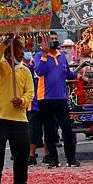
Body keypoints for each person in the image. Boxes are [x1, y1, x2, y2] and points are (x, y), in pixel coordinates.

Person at [0, 37, 35, 184]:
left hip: (19, 119)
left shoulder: (25, 70)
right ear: (9, 52)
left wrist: (22, 101)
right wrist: (5, 43)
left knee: (21, 153)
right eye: (19, 49)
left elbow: (30, 93)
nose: (22, 53)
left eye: (22, 49)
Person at [34, 31, 81, 168]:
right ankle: (53, 159)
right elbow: (39, 72)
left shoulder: (62, 56)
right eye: (51, 39)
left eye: (55, 39)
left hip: (61, 97)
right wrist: (44, 54)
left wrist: (78, 76)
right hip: (45, 98)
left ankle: (71, 159)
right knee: (49, 131)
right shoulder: (39, 56)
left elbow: (68, 74)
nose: (54, 41)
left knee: (67, 129)